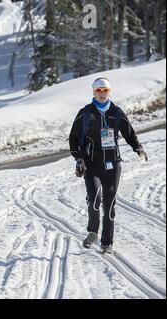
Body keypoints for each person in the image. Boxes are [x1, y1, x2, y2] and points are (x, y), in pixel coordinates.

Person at [69, 78, 148, 254]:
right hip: (91, 165)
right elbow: (73, 138)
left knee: (110, 204)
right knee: (95, 200)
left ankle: (107, 242)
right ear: (93, 92)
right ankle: (92, 232)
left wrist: (138, 148)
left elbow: (129, 133)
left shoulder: (116, 112)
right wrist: (78, 158)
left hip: (113, 165)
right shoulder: (85, 113)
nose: (102, 94)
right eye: (99, 91)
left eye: (105, 91)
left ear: (109, 92)